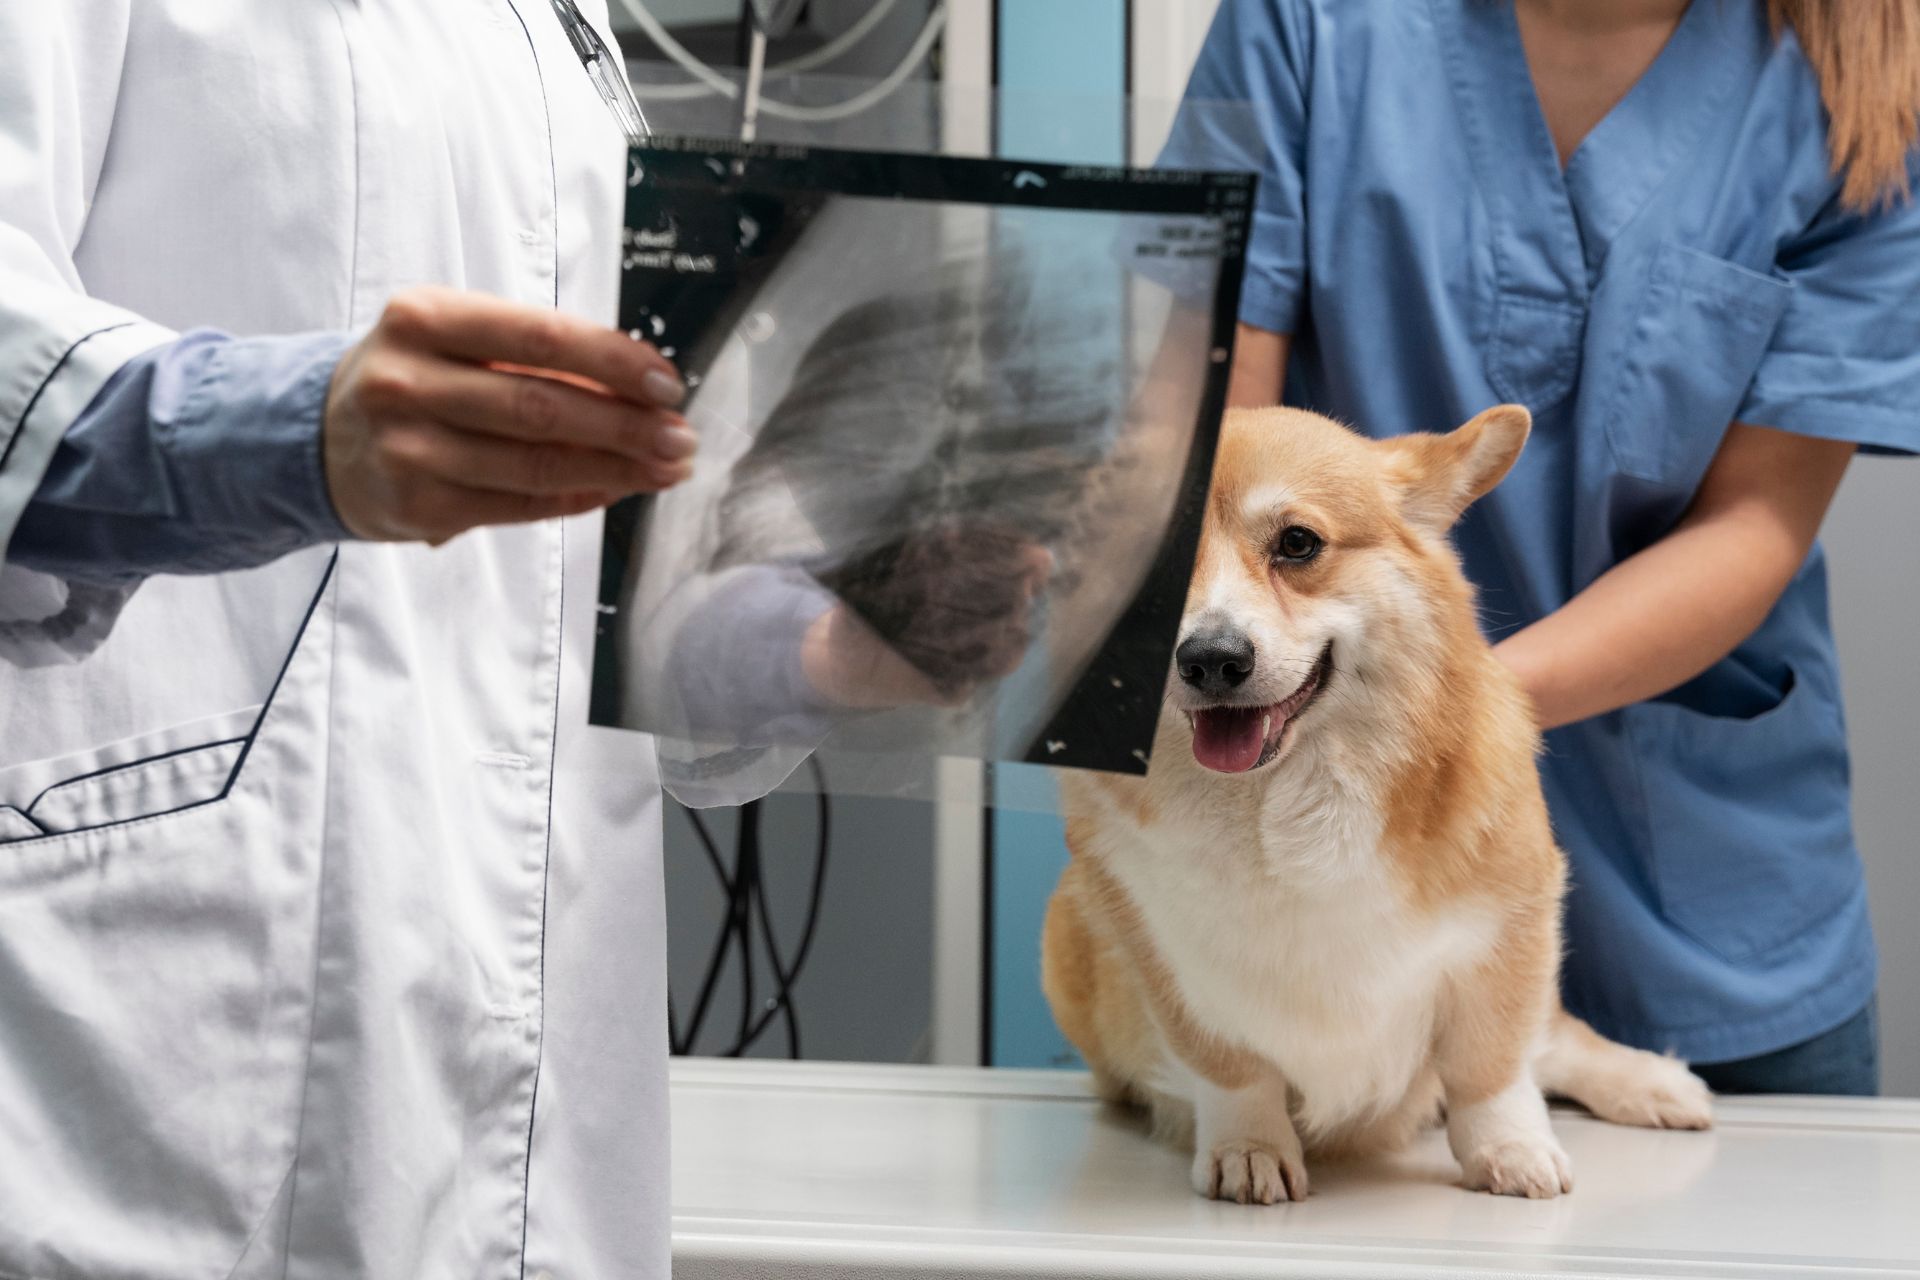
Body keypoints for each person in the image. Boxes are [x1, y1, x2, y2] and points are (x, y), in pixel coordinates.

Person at [0, 4, 1031, 1275]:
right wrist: (278, 435)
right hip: (172, 1032)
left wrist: (822, 645)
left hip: (528, 1063)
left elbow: (595, 568)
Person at [1175, 0, 1920, 1094]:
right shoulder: (1311, 24)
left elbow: (1753, 525)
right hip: (1326, 904)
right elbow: (1208, 456)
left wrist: (1445, 708)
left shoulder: (1858, 88)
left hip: (1702, 902)